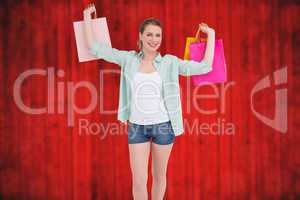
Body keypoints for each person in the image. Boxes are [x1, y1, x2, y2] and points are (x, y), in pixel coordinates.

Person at [83, 3, 215, 200]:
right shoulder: (128, 59)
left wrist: (210, 34)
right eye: (150, 35)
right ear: (141, 36)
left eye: (158, 35)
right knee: (139, 180)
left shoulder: (170, 62)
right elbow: (95, 48)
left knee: (159, 176)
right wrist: (87, 16)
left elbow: (205, 67)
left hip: (164, 127)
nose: (154, 39)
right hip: (137, 126)